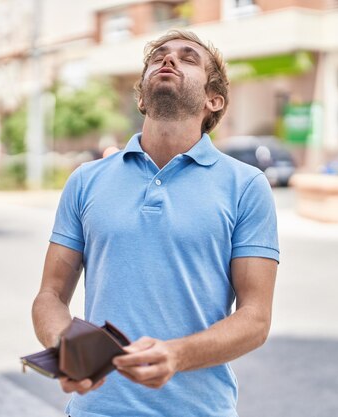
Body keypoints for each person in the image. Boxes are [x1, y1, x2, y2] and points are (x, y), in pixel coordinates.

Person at [32, 29, 279, 417]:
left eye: (188, 58)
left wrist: (176, 355)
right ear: (143, 97)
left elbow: (255, 318)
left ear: (214, 101)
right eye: (158, 56)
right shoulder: (85, 179)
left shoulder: (246, 186)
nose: (168, 60)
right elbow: (50, 295)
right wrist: (67, 348)